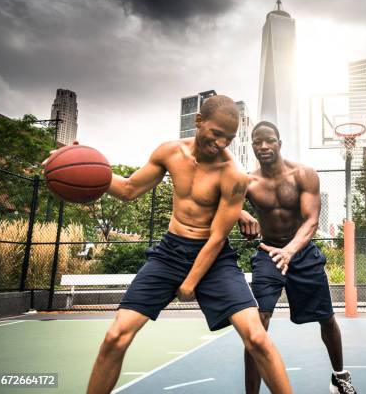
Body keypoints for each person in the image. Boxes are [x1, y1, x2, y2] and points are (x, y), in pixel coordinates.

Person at [46, 96, 292, 394]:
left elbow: (216, 237)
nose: (220, 143)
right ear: (199, 121)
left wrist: (190, 283)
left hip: (214, 259)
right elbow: (128, 189)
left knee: (256, 338)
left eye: (228, 138)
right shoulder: (169, 152)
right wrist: (78, 166)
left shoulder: (233, 175)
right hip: (170, 253)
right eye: (215, 134)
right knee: (116, 336)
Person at [238, 121, 357, 394]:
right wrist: (239, 212)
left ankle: (339, 376)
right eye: (257, 142)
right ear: (253, 146)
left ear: (280, 142)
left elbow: (311, 220)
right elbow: (218, 199)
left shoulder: (304, 174)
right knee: (258, 322)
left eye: (269, 140)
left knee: (326, 318)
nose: (264, 146)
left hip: (302, 254)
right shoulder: (247, 181)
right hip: (269, 254)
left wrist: (290, 250)